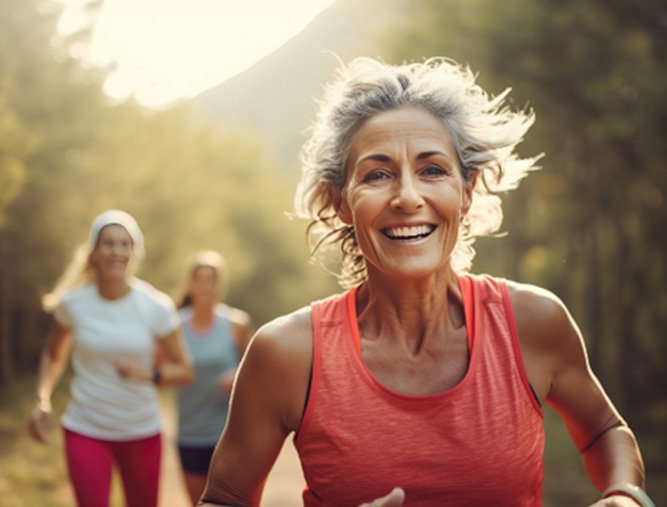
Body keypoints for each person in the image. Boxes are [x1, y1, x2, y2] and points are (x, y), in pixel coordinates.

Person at [198, 57, 653, 507]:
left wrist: (625, 496)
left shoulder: (533, 321)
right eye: (377, 175)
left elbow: (605, 431)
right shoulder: (287, 353)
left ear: (467, 190)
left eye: (432, 169)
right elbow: (222, 500)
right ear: (340, 202)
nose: (408, 197)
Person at [28, 209, 193, 507]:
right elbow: (54, 356)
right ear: (94, 252)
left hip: (141, 430)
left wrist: (147, 375)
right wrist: (42, 399)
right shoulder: (73, 304)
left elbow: (184, 370)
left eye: (124, 244)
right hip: (85, 427)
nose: (117, 251)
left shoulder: (155, 306)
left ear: (134, 251)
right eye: (108, 243)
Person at [175, 250, 252, 505]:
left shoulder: (236, 323)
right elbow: (163, 368)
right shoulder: (175, 326)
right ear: (190, 284)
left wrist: (237, 375)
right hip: (189, 432)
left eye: (212, 279)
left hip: (227, 434)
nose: (207, 285)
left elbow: (256, 372)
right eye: (201, 279)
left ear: (220, 284)